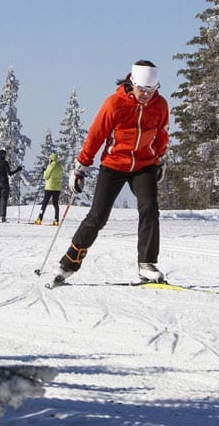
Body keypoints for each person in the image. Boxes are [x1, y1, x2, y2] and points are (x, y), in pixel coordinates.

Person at [52, 60, 169, 284]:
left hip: (144, 165)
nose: (146, 95)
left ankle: (146, 264)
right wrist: (80, 167)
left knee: (150, 209)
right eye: (142, 90)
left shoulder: (160, 105)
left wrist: (160, 158)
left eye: (151, 90)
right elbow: (96, 135)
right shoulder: (114, 104)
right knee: (98, 217)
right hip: (114, 164)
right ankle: (68, 263)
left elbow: (161, 133)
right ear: (131, 83)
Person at [0, 149, 22, 222]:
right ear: (3, 155)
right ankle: (2, 216)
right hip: (4, 180)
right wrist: (18, 170)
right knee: (3, 199)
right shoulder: (5, 163)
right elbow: (9, 173)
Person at [35, 152, 63, 225]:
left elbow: (46, 177)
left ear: (51, 159)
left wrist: (44, 171)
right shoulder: (60, 166)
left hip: (49, 187)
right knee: (55, 204)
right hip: (57, 188)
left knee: (45, 203)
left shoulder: (50, 166)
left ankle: (39, 218)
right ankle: (56, 220)